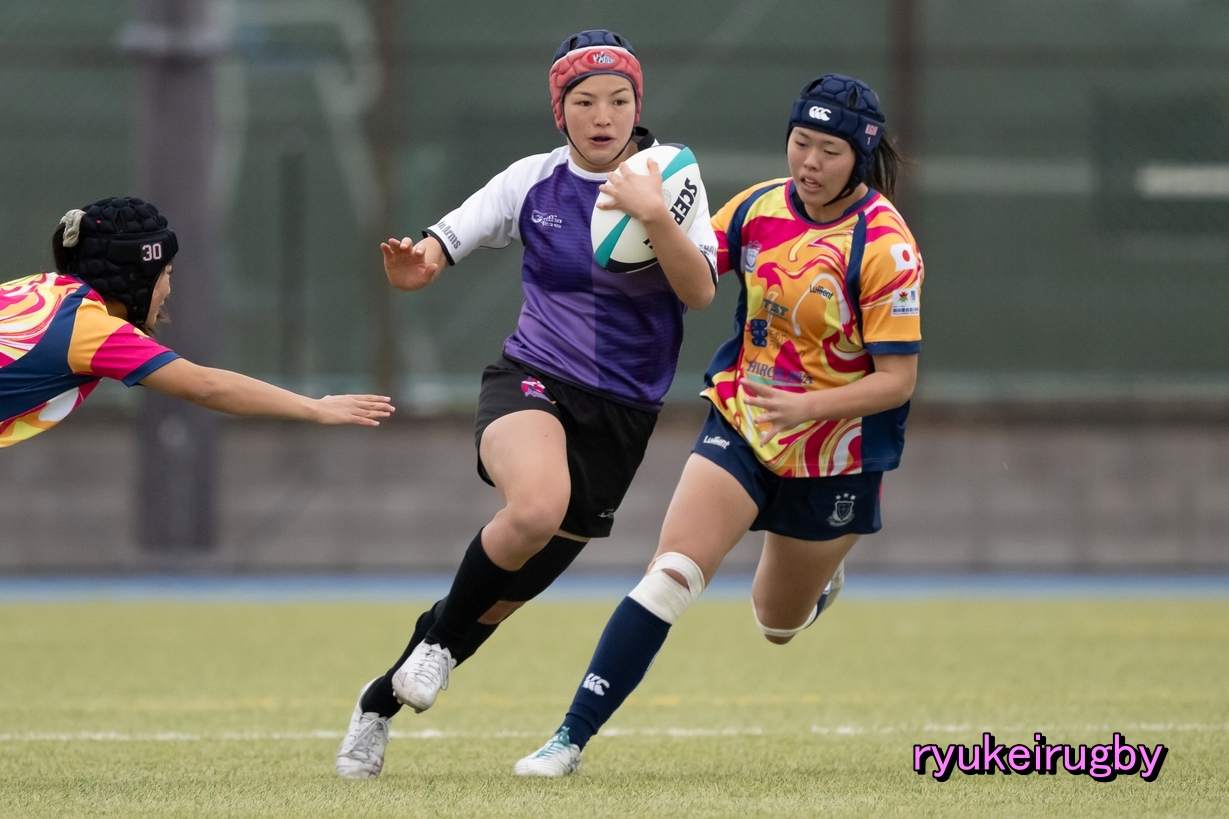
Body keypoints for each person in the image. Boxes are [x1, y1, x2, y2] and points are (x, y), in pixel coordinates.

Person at [334, 29, 718, 779]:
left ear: (638, 105)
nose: (602, 115)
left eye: (619, 100)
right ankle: (433, 651)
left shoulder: (670, 178)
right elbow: (439, 245)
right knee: (537, 507)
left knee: (493, 603)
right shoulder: (531, 182)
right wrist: (417, 266)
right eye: (584, 101)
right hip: (532, 379)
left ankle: (379, 700)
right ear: (558, 111)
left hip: (622, 416)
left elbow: (699, 291)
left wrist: (655, 215)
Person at [513, 73, 922, 777]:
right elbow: (694, 275)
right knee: (670, 574)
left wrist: (806, 408)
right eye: (800, 142)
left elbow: (897, 383)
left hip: (836, 455)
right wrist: (652, 218)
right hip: (742, 421)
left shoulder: (885, 246)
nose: (809, 162)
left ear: (859, 156)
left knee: (776, 623)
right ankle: (567, 739)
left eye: (829, 151)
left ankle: (820, 581)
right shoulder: (760, 207)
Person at [0, 197, 394, 449]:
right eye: (167, 273)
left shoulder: (37, 288)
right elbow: (205, 386)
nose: (168, 290)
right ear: (134, 278)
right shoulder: (91, 331)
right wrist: (315, 408)